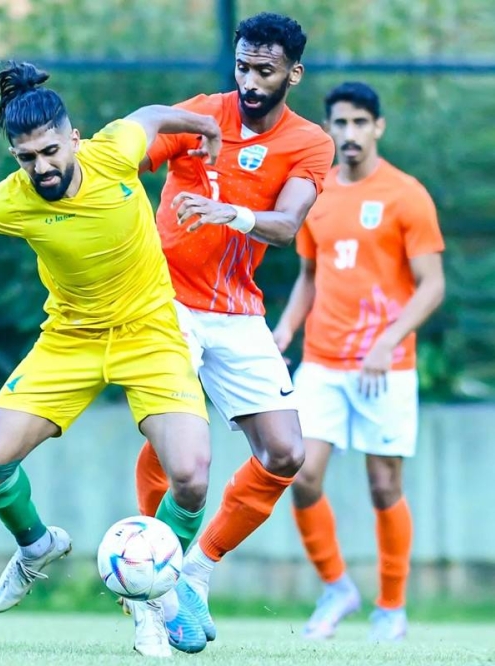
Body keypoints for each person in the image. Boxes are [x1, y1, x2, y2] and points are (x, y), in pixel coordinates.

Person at [0, 61, 225, 658]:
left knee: (191, 476)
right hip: (71, 340)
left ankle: (158, 593)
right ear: (15, 155)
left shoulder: (115, 152)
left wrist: (203, 127)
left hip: (150, 335)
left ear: (74, 138)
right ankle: (36, 545)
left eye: (51, 151)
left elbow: (153, 116)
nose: (43, 167)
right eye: (27, 157)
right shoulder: (15, 198)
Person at [132, 12, 335, 652]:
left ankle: (196, 569)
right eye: (242, 66)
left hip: (238, 312)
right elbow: (127, 158)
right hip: (167, 303)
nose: (249, 81)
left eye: (264, 70)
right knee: (177, 448)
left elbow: (287, 225)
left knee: (286, 454)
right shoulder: (201, 115)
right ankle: (148, 582)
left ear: (293, 74)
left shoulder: (310, 142)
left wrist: (230, 212)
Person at [272, 81, 446, 643]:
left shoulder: (406, 194)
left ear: (378, 127)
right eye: (340, 123)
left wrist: (387, 341)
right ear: (329, 129)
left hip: (384, 368)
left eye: (359, 123)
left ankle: (391, 606)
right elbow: (309, 276)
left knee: (383, 485)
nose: (349, 134)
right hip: (322, 362)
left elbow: (432, 285)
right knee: (299, 473)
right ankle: (336, 587)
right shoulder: (317, 192)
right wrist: (285, 329)